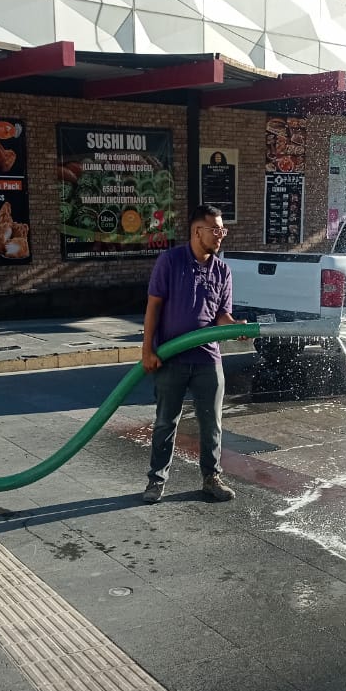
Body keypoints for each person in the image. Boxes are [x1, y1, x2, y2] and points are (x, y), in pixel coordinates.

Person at [141, 204, 247, 504]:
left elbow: (221, 317)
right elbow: (153, 307)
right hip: (171, 357)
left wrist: (234, 326)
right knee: (165, 421)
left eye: (222, 230)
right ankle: (156, 481)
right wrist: (147, 349)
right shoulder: (170, 262)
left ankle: (211, 478)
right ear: (196, 231)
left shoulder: (222, 270)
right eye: (215, 229)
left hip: (207, 359)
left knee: (211, 422)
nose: (220, 235)